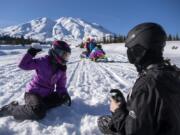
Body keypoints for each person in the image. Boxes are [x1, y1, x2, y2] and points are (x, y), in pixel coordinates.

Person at [98, 22, 180, 135]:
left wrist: (117, 111)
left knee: (104, 123)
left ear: (139, 51)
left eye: (130, 50)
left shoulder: (147, 85)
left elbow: (133, 131)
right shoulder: (173, 73)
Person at [0, 41, 71, 120]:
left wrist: (63, 93)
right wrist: (31, 53)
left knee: (62, 98)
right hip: (33, 93)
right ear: (55, 51)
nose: (64, 57)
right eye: (63, 54)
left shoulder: (61, 69)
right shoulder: (43, 61)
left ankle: (40, 105)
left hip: (47, 94)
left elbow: (61, 85)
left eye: (66, 56)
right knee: (38, 112)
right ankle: (11, 108)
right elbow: (22, 65)